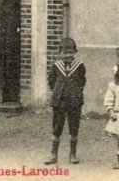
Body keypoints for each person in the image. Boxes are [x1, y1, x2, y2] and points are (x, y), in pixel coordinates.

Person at [45, 37, 86, 165]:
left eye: (70, 52)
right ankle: (53, 154)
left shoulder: (79, 66)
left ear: (74, 52)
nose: (68, 55)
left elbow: (82, 81)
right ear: (60, 53)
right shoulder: (56, 66)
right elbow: (51, 81)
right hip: (59, 102)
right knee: (57, 127)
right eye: (65, 52)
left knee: (74, 126)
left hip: (74, 102)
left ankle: (73, 154)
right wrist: (58, 92)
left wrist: (75, 93)